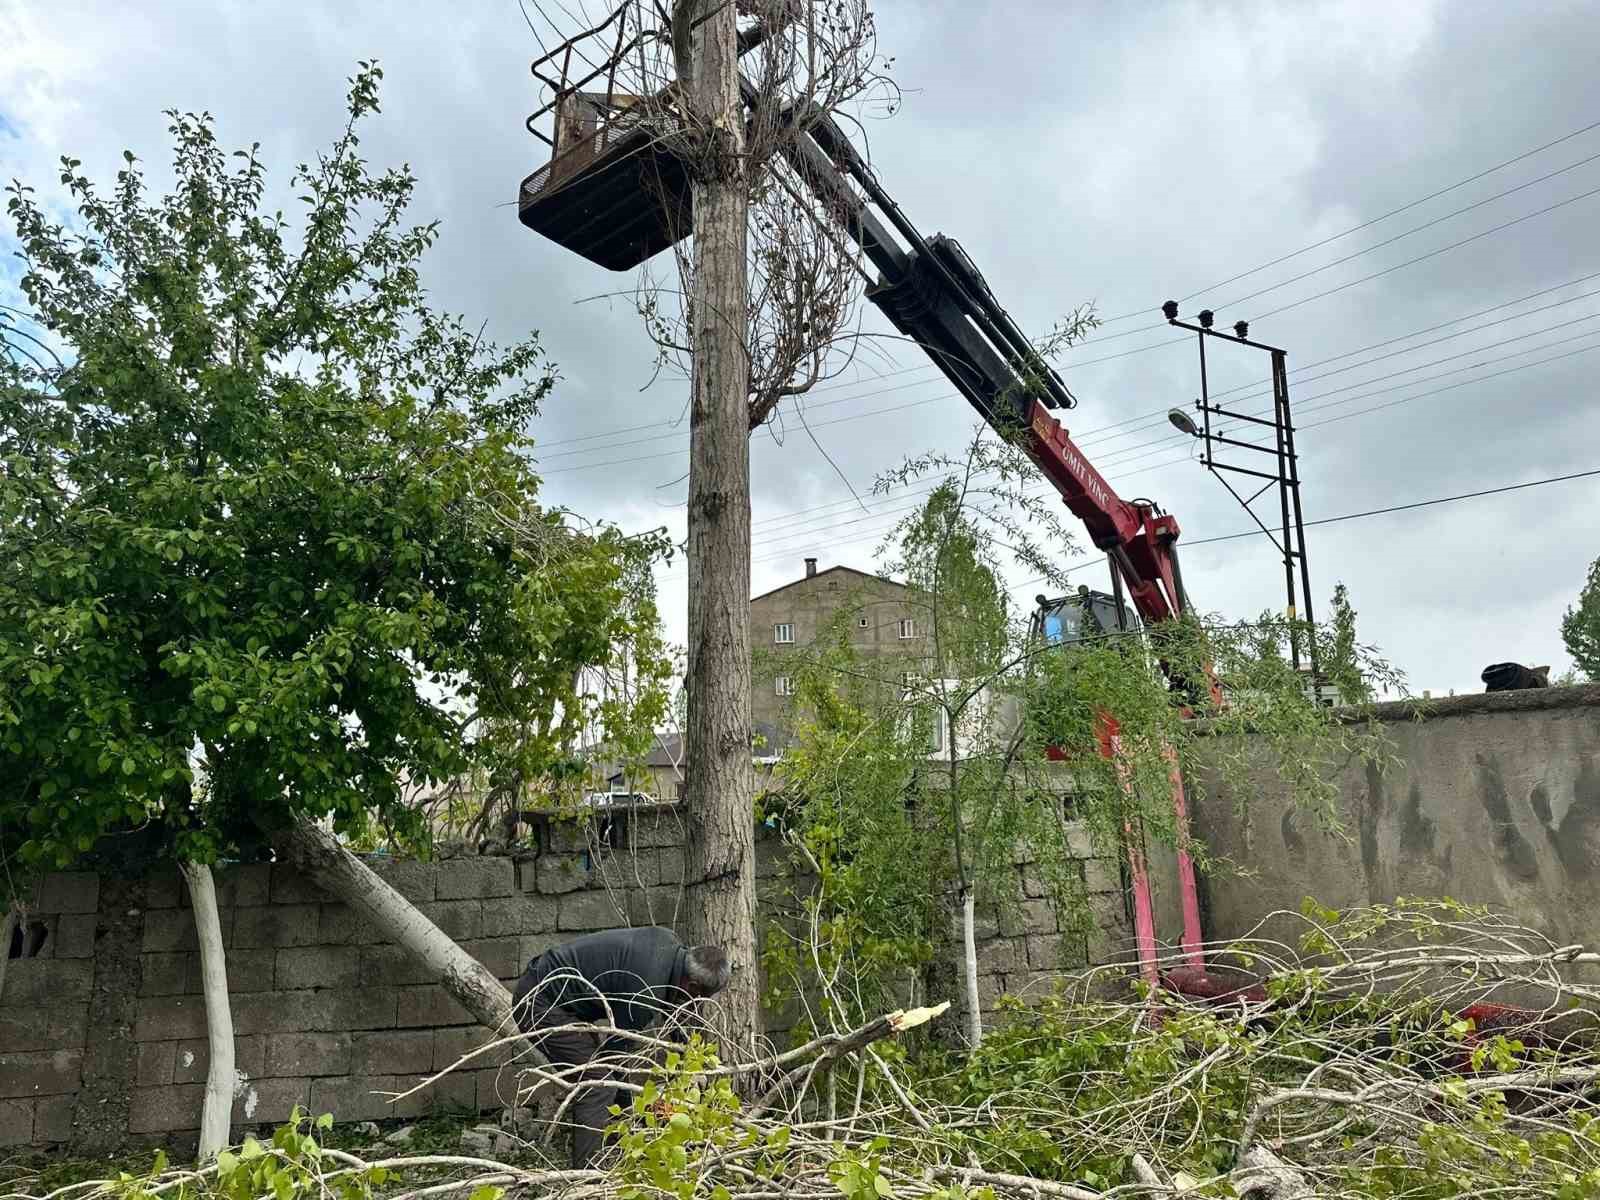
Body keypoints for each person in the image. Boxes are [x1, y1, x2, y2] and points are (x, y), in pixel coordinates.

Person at [511, 926, 730, 1168]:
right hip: (538, 1003)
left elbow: (675, 1021)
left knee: (614, 1075)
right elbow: (612, 1059)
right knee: (598, 1082)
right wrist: (658, 1108)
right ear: (692, 987)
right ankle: (586, 1180)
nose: (695, 1005)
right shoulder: (646, 992)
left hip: (559, 1001)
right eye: (699, 999)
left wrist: (685, 1071)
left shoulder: (671, 946)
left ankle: (622, 1144)